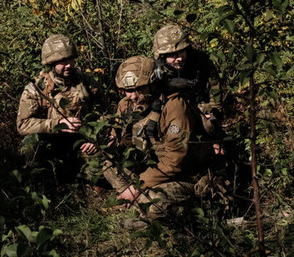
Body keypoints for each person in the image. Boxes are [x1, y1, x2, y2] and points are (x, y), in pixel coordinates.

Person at [102, 56, 213, 230]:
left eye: (138, 89)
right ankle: (138, 203)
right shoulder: (126, 104)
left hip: (186, 176)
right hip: (153, 168)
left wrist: (136, 187)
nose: (132, 96)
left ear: (153, 83)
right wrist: (113, 143)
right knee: (108, 164)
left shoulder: (174, 106)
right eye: (127, 90)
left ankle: (191, 215)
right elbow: (125, 142)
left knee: (154, 204)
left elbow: (175, 161)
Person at [17, 34, 99, 184]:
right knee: (30, 147)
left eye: (70, 59)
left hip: (81, 140)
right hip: (51, 141)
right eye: (62, 61)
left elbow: (104, 112)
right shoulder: (36, 88)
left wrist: (95, 140)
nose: (68, 65)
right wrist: (58, 124)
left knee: (99, 169)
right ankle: (44, 184)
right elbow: (23, 125)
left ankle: (76, 176)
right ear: (51, 63)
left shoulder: (86, 82)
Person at [152, 24, 224, 155]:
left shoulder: (201, 62)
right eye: (172, 55)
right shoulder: (156, 71)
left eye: (181, 52)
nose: (179, 58)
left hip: (199, 108)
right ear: (162, 56)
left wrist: (214, 121)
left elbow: (215, 95)